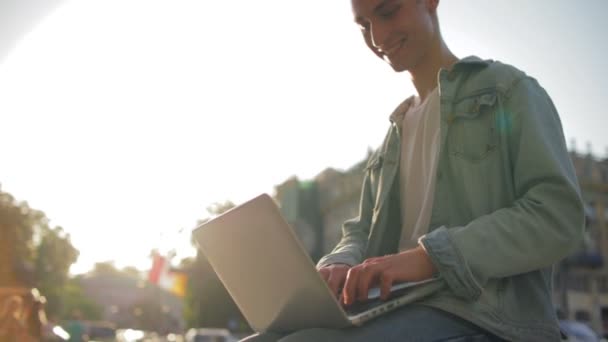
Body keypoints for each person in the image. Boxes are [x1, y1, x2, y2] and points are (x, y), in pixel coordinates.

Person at [242, 0, 584, 341]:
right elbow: (360, 231)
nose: (376, 37)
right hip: (395, 310)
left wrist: (429, 258)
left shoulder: (508, 90)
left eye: (388, 12)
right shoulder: (392, 139)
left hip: (485, 320)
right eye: (363, 25)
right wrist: (339, 263)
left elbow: (557, 215)